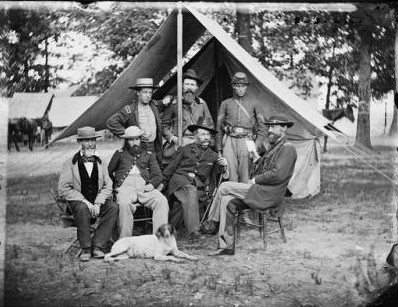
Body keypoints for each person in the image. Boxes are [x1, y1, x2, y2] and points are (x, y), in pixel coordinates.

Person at [203, 115, 297, 255]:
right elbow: (269, 168)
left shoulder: (288, 148)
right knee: (226, 200)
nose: (269, 130)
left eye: (273, 127)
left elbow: (278, 174)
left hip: (268, 194)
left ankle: (212, 223)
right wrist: (258, 159)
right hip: (262, 191)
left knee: (224, 187)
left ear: (284, 128)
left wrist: (255, 180)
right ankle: (226, 246)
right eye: (269, 127)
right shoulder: (276, 147)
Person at [58, 126, 119, 262]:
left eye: (93, 140)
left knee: (113, 207)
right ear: (80, 142)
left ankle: (98, 245)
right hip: (79, 204)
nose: (91, 144)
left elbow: (108, 185)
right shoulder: (69, 163)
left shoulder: (101, 162)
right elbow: (63, 189)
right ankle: (85, 248)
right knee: (82, 208)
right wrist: (85, 201)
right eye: (87, 141)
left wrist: (98, 203)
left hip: (96, 202)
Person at [162, 120, 228, 240]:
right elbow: (171, 167)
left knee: (183, 202)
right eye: (203, 134)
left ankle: (168, 230)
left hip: (197, 186)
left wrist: (223, 165)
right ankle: (194, 232)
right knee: (191, 191)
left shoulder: (213, 156)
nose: (206, 138)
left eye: (208, 135)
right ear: (196, 136)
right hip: (179, 182)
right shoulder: (185, 149)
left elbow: (219, 175)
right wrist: (162, 184)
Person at [108, 126, 168, 238]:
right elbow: (108, 172)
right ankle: (124, 241)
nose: (134, 142)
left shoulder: (149, 154)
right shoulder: (119, 154)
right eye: (131, 140)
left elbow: (158, 175)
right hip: (125, 187)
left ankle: (160, 240)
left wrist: (151, 184)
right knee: (124, 204)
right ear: (126, 141)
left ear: (140, 139)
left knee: (161, 201)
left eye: (137, 139)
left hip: (144, 187)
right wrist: (115, 186)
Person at [215, 72, 267, 183]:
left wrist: (256, 146)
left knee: (246, 175)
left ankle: (244, 198)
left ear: (246, 87)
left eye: (243, 86)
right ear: (233, 86)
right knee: (229, 172)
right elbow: (218, 128)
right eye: (238, 86)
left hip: (247, 140)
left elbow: (262, 127)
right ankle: (231, 199)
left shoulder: (255, 103)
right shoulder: (226, 103)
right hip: (229, 139)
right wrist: (219, 149)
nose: (241, 89)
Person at [107, 78, 166, 166]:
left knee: (156, 173)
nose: (148, 95)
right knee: (141, 173)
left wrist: (170, 98)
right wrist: (127, 133)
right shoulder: (130, 110)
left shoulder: (154, 106)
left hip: (154, 147)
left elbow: (165, 101)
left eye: (150, 92)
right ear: (138, 93)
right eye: (145, 92)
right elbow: (111, 122)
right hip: (139, 147)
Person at [161, 69, 214, 154]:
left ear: (196, 87)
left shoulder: (201, 104)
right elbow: (163, 126)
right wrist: (173, 138)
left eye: (192, 85)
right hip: (179, 143)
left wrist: (204, 139)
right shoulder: (174, 104)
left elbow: (209, 125)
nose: (189, 87)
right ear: (182, 86)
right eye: (187, 84)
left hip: (198, 143)